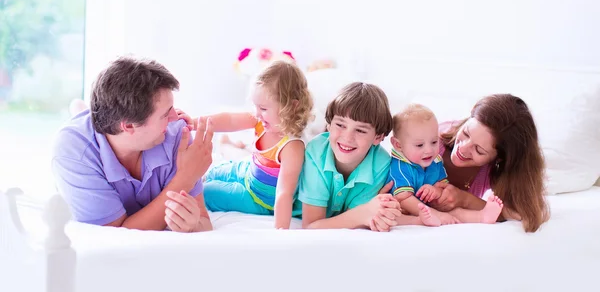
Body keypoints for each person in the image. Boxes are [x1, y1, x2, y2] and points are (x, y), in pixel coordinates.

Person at [52, 56, 214, 232]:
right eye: (166, 114)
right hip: (89, 144)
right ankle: (80, 110)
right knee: (84, 122)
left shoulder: (176, 134)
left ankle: (82, 109)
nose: (178, 117)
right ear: (129, 125)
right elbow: (114, 235)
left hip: (116, 128)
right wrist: (185, 178)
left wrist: (193, 226)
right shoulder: (72, 151)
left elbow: (204, 223)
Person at [181, 61, 314, 229]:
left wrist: (280, 233)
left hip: (258, 199)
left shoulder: (292, 146)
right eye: (255, 106)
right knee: (212, 171)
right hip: (248, 171)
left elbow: (284, 193)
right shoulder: (261, 121)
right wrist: (193, 123)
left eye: (264, 108)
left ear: (291, 107)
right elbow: (228, 120)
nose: (257, 113)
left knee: (205, 192)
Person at [298, 82, 434, 231]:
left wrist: (375, 213)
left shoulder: (380, 163)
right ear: (329, 125)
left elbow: (355, 216)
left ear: (378, 137)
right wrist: (364, 213)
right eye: (340, 125)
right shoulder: (316, 152)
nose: (347, 137)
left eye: (361, 130)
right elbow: (311, 226)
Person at [413, 94, 550, 232]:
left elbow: (522, 211)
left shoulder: (492, 170)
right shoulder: (433, 139)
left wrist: (464, 199)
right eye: (466, 133)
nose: (463, 148)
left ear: (499, 159)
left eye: (479, 150)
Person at [386, 103, 504, 226]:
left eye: (434, 142)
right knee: (393, 214)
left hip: (428, 208)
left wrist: (434, 191)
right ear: (398, 145)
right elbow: (403, 199)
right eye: (420, 145)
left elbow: (441, 186)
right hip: (407, 207)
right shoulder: (400, 166)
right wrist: (434, 213)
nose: (429, 150)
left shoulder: (434, 161)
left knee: (455, 212)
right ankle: (421, 221)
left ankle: (482, 217)